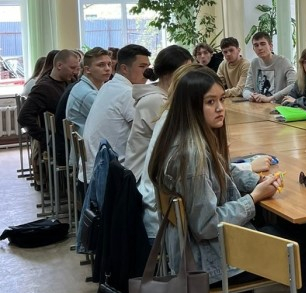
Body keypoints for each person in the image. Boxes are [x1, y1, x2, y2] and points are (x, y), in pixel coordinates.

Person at [147, 66, 283, 286]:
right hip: (211, 263)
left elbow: (223, 170)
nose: (220, 108)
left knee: (282, 230)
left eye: (221, 99)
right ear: (191, 107)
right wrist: (253, 198)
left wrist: (256, 181)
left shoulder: (185, 137)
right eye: (210, 102)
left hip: (201, 253)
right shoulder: (192, 156)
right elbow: (207, 225)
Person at [81, 44, 151, 184]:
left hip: (91, 173)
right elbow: (147, 133)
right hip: (105, 179)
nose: (148, 72)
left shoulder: (109, 86)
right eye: (142, 66)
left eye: (148, 66)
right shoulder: (127, 93)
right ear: (124, 68)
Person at [124, 45, 193, 180]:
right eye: (185, 71)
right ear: (168, 73)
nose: (190, 76)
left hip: (154, 171)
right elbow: (179, 140)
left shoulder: (162, 95)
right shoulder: (156, 100)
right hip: (143, 178)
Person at [17, 49, 81, 189]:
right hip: (61, 144)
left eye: (77, 68)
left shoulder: (69, 81)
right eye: (72, 68)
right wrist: (46, 137)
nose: (75, 72)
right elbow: (23, 117)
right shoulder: (43, 87)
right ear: (59, 65)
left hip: (67, 138)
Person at [242, 32, 296, 103]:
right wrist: (251, 96)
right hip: (260, 105)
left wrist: (270, 98)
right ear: (253, 49)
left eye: (263, 44)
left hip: (278, 105)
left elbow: (294, 85)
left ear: (271, 46)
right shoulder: (254, 63)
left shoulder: (283, 61)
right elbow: (247, 89)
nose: (259, 48)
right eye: (256, 45)